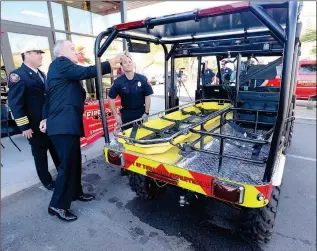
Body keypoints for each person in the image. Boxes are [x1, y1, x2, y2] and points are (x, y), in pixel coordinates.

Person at [40, 40, 124, 222]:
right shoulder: (62, 63)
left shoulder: (61, 69)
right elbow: (87, 72)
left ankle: (76, 192)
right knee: (67, 166)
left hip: (64, 124)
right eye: (71, 48)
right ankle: (57, 205)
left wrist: (44, 117)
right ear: (61, 51)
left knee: (75, 162)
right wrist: (111, 62)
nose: (74, 51)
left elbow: (50, 97)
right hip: (63, 126)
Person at [7, 43, 60, 191]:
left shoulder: (41, 74)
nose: (41, 55)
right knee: (40, 155)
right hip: (34, 125)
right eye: (38, 53)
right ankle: (47, 181)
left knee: (56, 150)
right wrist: (24, 127)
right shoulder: (18, 75)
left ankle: (62, 175)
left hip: (49, 122)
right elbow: (15, 104)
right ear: (28, 54)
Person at [108, 54, 153, 130]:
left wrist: (146, 113)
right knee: (127, 137)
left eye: (130, 62)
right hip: (126, 114)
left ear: (133, 64)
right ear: (122, 66)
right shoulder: (118, 82)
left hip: (141, 113)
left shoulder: (142, 79)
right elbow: (110, 98)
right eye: (125, 62)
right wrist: (116, 115)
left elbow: (147, 96)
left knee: (143, 135)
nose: (128, 64)